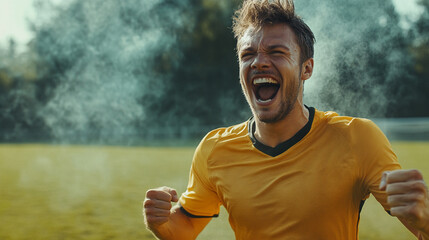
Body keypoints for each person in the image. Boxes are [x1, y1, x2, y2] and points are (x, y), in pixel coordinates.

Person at [143, 0, 429, 239]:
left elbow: (419, 224)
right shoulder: (214, 151)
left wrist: (424, 218)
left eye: (276, 52)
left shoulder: (357, 138)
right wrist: (161, 223)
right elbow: (185, 227)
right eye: (248, 54)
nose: (259, 62)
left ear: (306, 69)